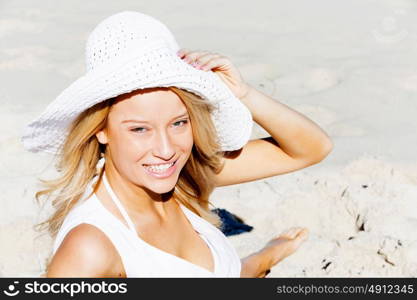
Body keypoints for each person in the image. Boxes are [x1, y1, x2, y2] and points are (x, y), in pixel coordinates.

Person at [22, 11, 332, 278]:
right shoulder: (91, 246)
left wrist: (244, 93)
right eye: (140, 129)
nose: (166, 149)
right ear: (101, 130)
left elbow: (311, 148)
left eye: (179, 123)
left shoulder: (180, 181)